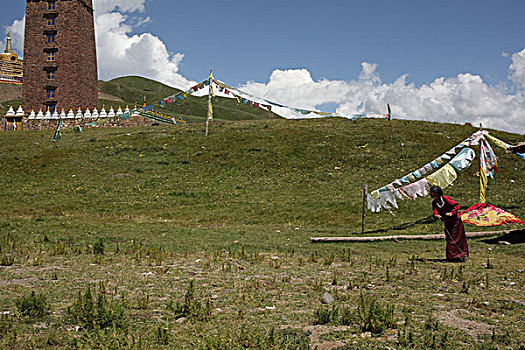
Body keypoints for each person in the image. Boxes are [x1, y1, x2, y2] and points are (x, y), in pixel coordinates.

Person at [430, 185, 469, 262]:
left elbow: (456, 205)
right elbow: (435, 211)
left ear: (437, 193)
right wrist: (436, 215)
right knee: (449, 238)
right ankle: (452, 256)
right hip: (447, 222)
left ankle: (461, 255)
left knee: (457, 238)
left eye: (433, 192)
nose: (431, 194)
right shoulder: (434, 202)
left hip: (455, 221)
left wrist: (451, 213)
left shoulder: (446, 199)